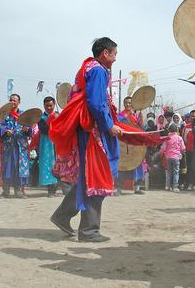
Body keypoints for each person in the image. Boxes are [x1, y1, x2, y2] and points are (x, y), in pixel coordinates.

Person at [50, 37, 122, 242]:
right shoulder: (98, 70)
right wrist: (109, 125)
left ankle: (62, 216)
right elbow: (97, 103)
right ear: (105, 53)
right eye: (114, 54)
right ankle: (89, 230)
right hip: (94, 132)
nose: (115, 59)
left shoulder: (86, 68)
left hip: (85, 129)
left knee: (86, 176)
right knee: (96, 175)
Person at [0, 94, 32, 198]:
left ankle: (18, 191)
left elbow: (30, 129)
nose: (13, 102)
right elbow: (0, 126)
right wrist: (5, 131)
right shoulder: (5, 114)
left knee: (19, 169)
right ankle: (6, 191)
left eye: (15, 100)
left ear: (19, 102)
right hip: (8, 146)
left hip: (20, 147)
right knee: (7, 168)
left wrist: (27, 130)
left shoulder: (23, 114)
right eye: (11, 100)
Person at [37, 96, 61, 196]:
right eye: (47, 106)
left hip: (58, 144)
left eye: (51, 105)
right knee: (48, 166)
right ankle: (50, 190)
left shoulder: (59, 115)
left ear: (54, 105)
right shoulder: (41, 118)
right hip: (47, 145)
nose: (49, 108)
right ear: (44, 106)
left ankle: (61, 189)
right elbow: (44, 130)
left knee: (60, 164)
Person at [161, 124, 185, 192]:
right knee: (176, 172)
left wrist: (164, 153)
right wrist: (182, 152)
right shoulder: (179, 138)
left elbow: (163, 148)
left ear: (169, 130)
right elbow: (183, 148)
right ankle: (175, 187)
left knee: (169, 172)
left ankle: (167, 186)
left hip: (168, 157)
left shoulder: (167, 138)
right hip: (176, 157)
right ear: (177, 130)